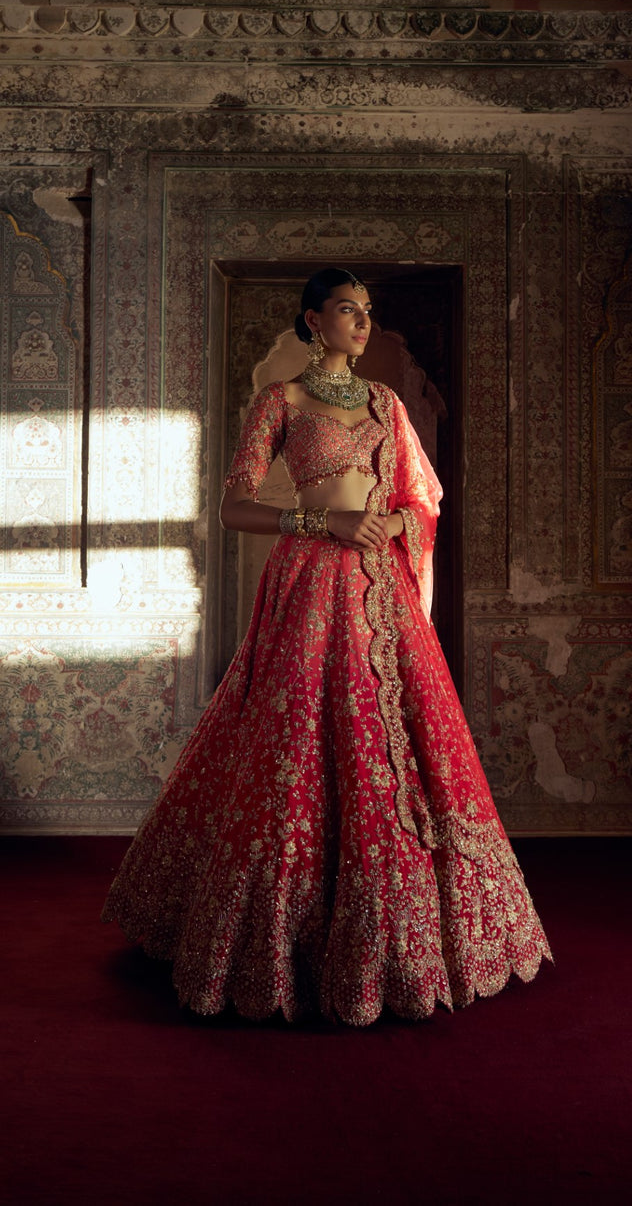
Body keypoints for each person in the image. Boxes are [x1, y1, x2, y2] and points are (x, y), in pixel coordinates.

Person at [103, 268, 550, 1024]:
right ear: (313, 320)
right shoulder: (281, 401)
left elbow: (420, 498)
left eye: (367, 311)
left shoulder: (387, 403)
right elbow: (234, 507)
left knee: (397, 741)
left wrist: (395, 525)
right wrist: (323, 525)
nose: (362, 322)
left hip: (380, 588)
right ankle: (274, 940)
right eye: (347, 309)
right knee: (295, 738)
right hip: (310, 578)